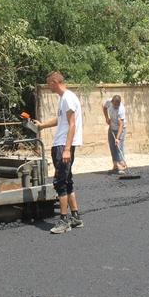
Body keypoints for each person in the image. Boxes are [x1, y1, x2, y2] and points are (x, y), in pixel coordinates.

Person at [34, 71, 83, 233]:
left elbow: (72, 124)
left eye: (49, 84)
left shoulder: (68, 98)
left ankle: (64, 221)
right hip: (62, 144)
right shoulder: (64, 99)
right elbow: (60, 120)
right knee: (67, 180)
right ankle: (75, 217)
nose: (49, 87)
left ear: (55, 82)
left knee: (59, 182)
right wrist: (42, 125)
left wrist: (67, 149)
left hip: (63, 145)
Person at [103, 94, 129, 174]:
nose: (116, 107)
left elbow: (121, 125)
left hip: (121, 129)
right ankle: (115, 165)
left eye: (117, 105)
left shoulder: (121, 109)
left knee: (118, 146)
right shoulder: (109, 102)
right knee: (112, 146)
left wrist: (117, 138)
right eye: (115, 105)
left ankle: (121, 166)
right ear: (112, 102)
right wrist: (107, 118)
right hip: (112, 127)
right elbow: (104, 108)